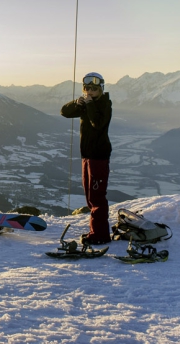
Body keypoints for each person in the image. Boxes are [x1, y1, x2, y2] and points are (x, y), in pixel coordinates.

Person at [61, 72, 113, 245]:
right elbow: (64, 112)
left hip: (99, 156)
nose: (90, 92)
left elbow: (97, 123)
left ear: (100, 89)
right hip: (87, 155)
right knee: (90, 196)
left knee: (97, 197)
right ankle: (95, 231)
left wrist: (89, 105)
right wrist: (77, 103)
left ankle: (100, 235)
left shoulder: (105, 105)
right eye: (87, 88)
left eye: (94, 89)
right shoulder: (87, 104)